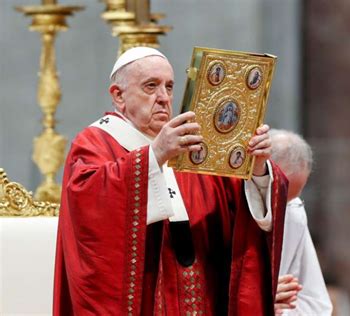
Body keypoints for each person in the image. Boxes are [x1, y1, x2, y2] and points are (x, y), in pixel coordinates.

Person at [53, 47, 289, 315]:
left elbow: (238, 217)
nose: (164, 98)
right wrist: (154, 156)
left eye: (169, 86)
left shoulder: (193, 146)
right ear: (118, 95)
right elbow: (88, 210)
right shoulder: (95, 142)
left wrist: (256, 168)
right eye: (150, 87)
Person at [270, 129, 333, 315]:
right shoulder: (225, 204)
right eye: (279, 198)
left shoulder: (294, 212)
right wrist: (258, 299)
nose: (282, 209)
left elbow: (317, 305)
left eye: (289, 200)